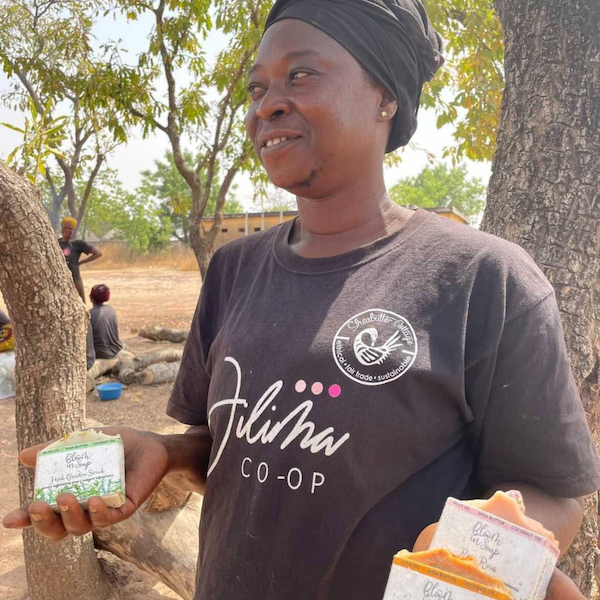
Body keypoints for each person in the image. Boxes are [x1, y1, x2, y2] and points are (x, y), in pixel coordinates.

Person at [3, 2, 599, 599]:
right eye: (258, 86)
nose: (267, 104)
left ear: (385, 96)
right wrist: (163, 451)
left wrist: (481, 560)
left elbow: (551, 491)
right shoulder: (236, 269)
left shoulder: (482, 280)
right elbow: (231, 448)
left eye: (301, 74)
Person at [58, 217, 102, 302]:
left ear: (73, 230)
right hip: (60, 280)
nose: (67, 230)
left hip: (75, 278)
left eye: (70, 228)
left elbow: (98, 253)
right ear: (61, 228)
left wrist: (81, 262)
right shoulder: (56, 243)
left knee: (81, 303)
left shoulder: (77, 243)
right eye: (65, 227)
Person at [89, 284, 123, 360]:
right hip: (115, 349)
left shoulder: (89, 314)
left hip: (101, 353)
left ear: (91, 297)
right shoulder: (111, 310)